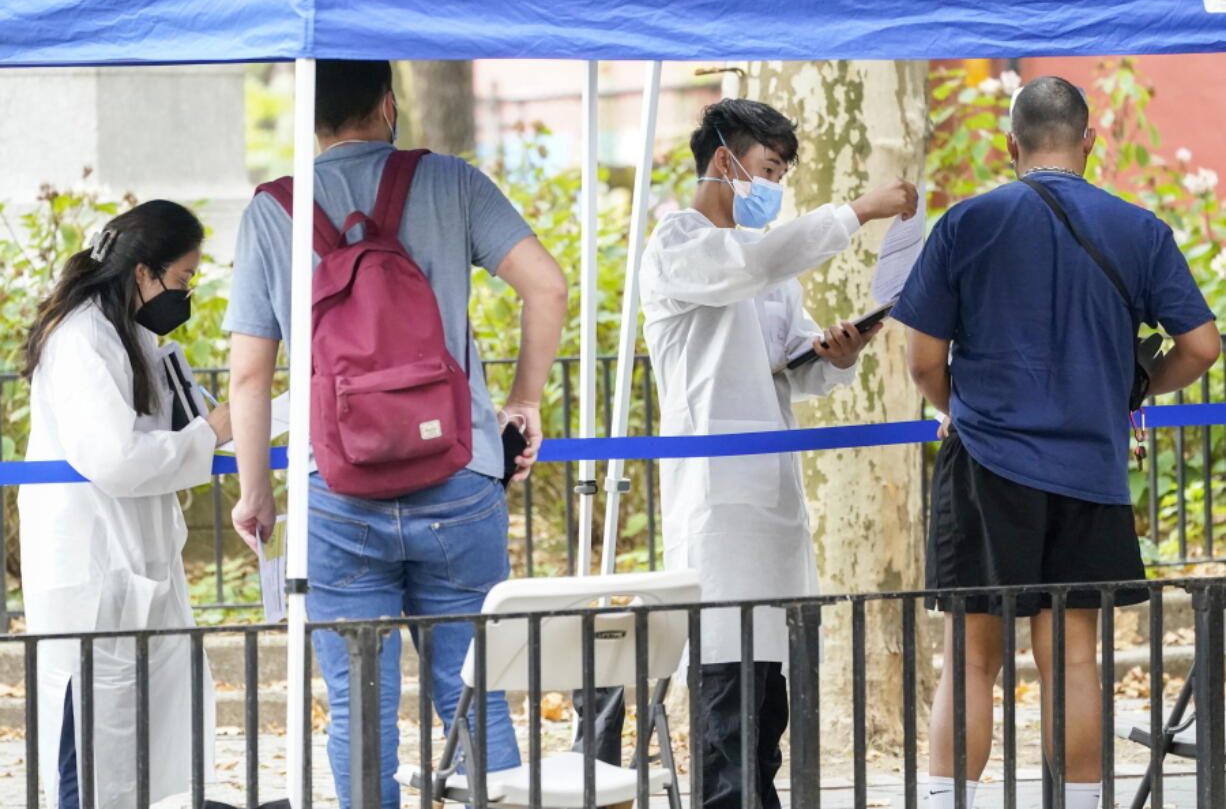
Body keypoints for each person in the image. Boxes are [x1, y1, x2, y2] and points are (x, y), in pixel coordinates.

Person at [222, 60, 567, 807]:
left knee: (358, 704)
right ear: (388, 105)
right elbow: (548, 283)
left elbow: (250, 376)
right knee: (472, 690)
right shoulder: (452, 182)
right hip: (459, 474)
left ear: (311, 118)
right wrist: (523, 399)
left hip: (336, 495)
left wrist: (257, 492)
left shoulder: (272, 211)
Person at [893, 76, 1220, 809]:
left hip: (985, 468)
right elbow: (1200, 345)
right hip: (1090, 470)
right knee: (1073, 656)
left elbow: (921, 359)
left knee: (971, 659)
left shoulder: (966, 223)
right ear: (1090, 142)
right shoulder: (1140, 230)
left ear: (1011, 145)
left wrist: (962, 407)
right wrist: (1132, 390)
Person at [639, 98, 917, 809]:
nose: (775, 185)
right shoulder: (681, 246)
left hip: (773, 511)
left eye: (784, 173)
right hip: (717, 509)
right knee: (726, 720)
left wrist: (837, 354)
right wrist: (860, 210)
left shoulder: (765, 273)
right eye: (768, 168)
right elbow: (752, 264)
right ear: (724, 161)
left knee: (766, 722)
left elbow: (792, 369)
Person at [18, 200, 232, 809]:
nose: (186, 292)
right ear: (144, 271)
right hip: (95, 574)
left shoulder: (136, 337)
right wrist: (209, 433)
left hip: (132, 569)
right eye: (184, 277)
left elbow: (194, 418)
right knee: (87, 746)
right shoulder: (82, 338)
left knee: (130, 745)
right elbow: (115, 459)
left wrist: (235, 422)